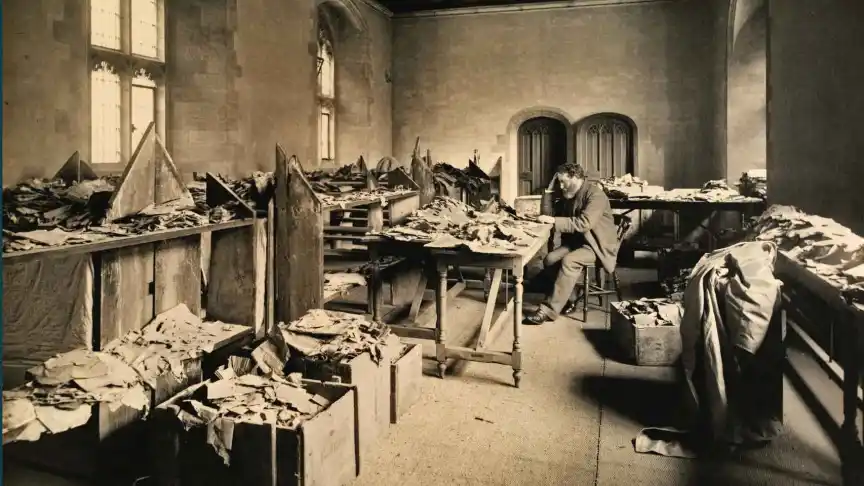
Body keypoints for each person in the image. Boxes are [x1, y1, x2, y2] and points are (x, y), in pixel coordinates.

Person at [526, 163, 618, 325]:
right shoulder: (572, 194)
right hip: (580, 242)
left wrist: (553, 221)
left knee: (569, 261)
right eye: (559, 182)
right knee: (550, 259)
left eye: (563, 182)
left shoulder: (596, 195)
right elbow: (560, 215)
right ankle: (570, 296)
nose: (561, 186)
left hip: (598, 246)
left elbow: (584, 223)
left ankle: (548, 310)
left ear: (575, 178)